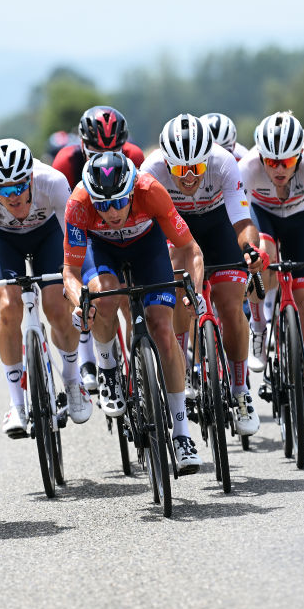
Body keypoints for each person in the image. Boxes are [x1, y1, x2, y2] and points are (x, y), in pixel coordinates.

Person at [61, 152, 206, 473]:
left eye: (118, 202)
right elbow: (70, 271)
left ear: (131, 191)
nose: (111, 212)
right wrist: (79, 303)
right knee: (104, 297)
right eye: (102, 205)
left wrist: (194, 291)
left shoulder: (150, 190)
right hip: (101, 249)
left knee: (163, 331)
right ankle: (108, 368)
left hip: (146, 246)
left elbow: (190, 248)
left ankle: (182, 434)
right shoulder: (78, 203)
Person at [142, 113, 266, 436]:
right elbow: (146, 230)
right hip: (177, 228)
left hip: (218, 225)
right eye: (180, 170)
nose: (188, 177)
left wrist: (250, 250)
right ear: (166, 163)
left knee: (230, 304)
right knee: (178, 293)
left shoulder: (223, 162)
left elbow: (242, 221)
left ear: (206, 160)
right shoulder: (151, 170)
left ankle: (240, 390)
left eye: (196, 168)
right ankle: (182, 367)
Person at [0, 139, 92, 436]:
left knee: (57, 306)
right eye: (5, 190)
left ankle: (73, 381)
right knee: (8, 307)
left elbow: (75, 242)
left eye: (21, 186)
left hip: (48, 233)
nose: (15, 196)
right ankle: (17, 403)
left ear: (32, 177)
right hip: (1, 238)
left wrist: (77, 286)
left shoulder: (53, 182)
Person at [240, 111, 304, 435]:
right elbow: (238, 222)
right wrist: (249, 254)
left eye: (286, 161)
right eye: (271, 162)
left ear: (298, 155)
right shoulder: (248, 167)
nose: (279, 169)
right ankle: (258, 326)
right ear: (261, 157)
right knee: (263, 255)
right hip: (262, 216)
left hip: (300, 218)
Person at [52, 105, 146, 393]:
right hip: (87, 232)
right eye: (94, 151)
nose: (105, 159)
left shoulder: (135, 156)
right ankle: (87, 357)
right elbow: (63, 216)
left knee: (131, 298)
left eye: (115, 150)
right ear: (81, 144)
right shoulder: (66, 161)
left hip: (125, 230)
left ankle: (139, 364)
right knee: (83, 290)